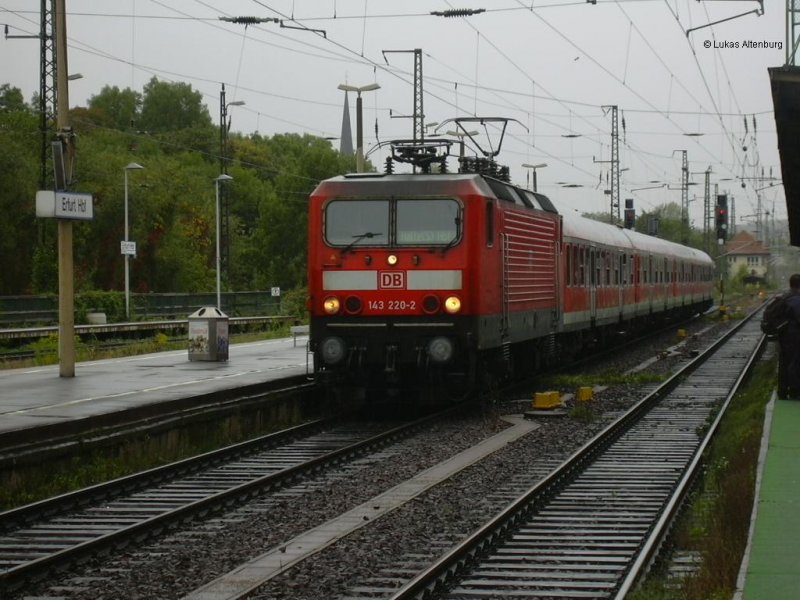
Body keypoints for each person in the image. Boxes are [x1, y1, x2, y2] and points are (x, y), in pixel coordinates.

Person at [778, 273, 800, 400]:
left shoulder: (786, 296)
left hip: (784, 335)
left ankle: (782, 390)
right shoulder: (796, 299)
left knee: (784, 362)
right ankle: (794, 390)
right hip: (794, 336)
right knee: (795, 362)